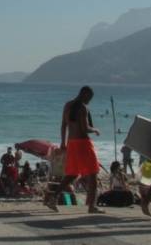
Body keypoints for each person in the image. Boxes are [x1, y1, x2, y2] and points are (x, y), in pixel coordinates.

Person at [50, 85, 102, 213]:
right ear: (84, 94)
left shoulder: (67, 105)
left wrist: (63, 143)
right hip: (83, 143)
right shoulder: (83, 108)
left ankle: (53, 198)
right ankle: (92, 206)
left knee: (72, 174)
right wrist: (95, 130)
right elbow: (85, 129)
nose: (89, 100)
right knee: (93, 174)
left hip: (72, 143)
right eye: (90, 97)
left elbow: (63, 125)